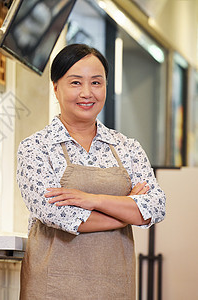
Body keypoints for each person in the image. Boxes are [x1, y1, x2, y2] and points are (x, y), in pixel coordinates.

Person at [16, 43, 166, 299]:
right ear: (55, 88)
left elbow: (155, 207)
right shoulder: (36, 147)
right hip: (52, 287)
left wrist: (92, 200)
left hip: (115, 286)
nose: (87, 93)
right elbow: (58, 214)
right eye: (75, 83)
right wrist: (127, 210)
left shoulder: (127, 147)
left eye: (96, 83)